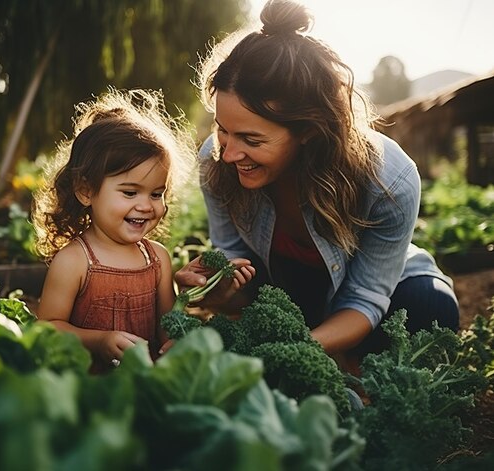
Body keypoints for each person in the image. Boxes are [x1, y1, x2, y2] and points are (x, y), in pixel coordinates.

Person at [175, 0, 459, 364]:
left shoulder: (389, 179)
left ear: (308, 129)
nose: (229, 153)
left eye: (252, 139)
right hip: (286, 290)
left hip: (379, 290)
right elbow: (240, 273)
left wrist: (295, 352)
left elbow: (366, 297)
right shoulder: (216, 160)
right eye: (223, 130)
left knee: (430, 307)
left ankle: (344, 353)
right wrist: (216, 291)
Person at [32, 88, 252, 373]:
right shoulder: (75, 261)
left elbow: (166, 325)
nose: (146, 206)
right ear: (86, 191)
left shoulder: (157, 259)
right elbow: (48, 328)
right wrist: (98, 340)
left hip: (146, 382)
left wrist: (177, 340)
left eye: (156, 194)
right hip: (86, 386)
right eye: (130, 192)